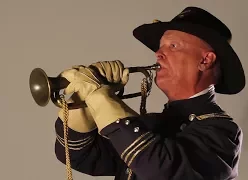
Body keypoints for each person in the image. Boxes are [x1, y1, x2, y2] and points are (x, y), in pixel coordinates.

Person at [53, 6, 245, 180]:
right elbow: (79, 156)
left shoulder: (223, 132)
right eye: (160, 47)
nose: (158, 54)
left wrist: (101, 97)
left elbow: (161, 169)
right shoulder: (150, 124)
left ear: (205, 60)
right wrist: (83, 102)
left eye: (173, 46)